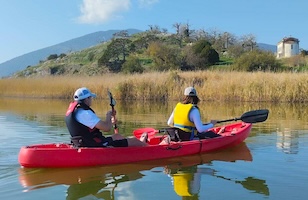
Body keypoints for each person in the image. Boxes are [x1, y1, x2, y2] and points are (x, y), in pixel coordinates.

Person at [65, 87, 147, 147]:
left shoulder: (77, 111)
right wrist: (108, 115)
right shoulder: (85, 113)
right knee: (134, 140)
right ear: (86, 99)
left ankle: (138, 144)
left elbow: (100, 126)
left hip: (84, 143)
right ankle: (144, 146)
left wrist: (111, 121)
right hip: (94, 145)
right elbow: (106, 128)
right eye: (90, 98)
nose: (91, 100)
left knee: (117, 136)